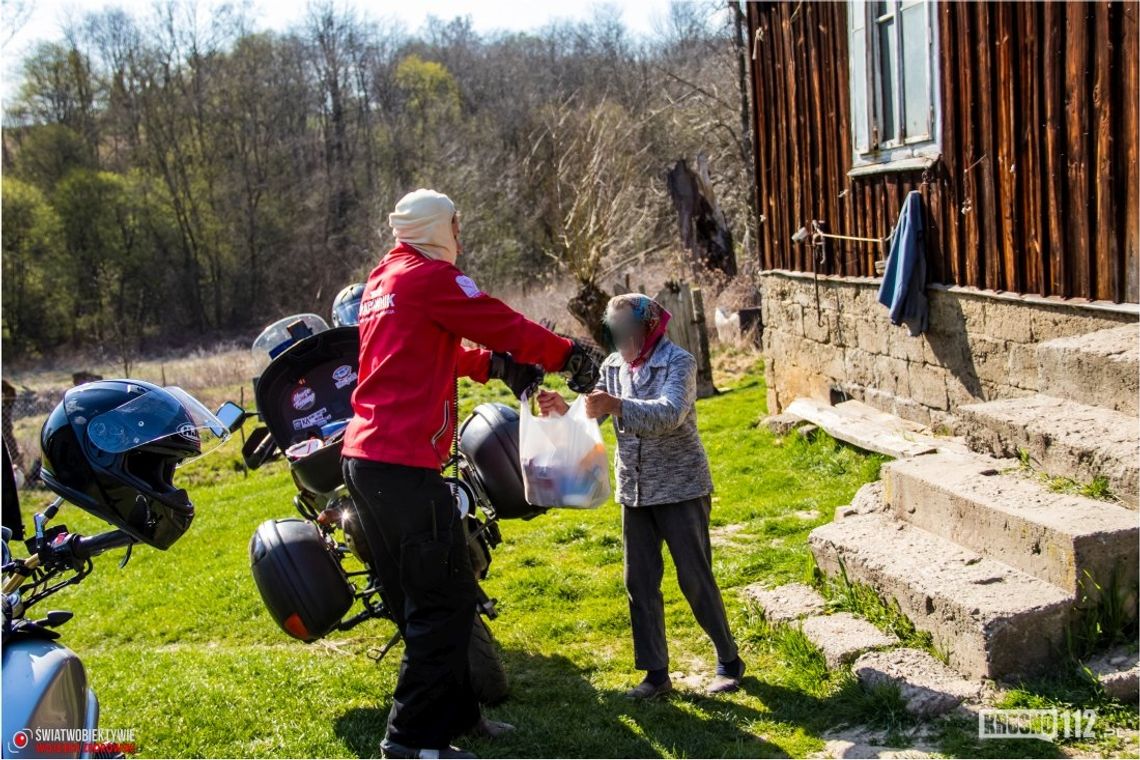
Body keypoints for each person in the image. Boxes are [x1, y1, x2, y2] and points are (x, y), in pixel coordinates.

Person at [341, 188, 598, 760]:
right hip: (404, 464)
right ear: (439, 226)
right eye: (457, 223)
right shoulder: (430, 277)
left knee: (421, 598)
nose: (460, 234)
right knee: (444, 604)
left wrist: (492, 365)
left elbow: (429, 349)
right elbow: (495, 319)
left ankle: (457, 717)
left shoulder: (385, 280)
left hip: (365, 460)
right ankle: (409, 742)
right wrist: (565, 355)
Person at [537, 293, 744, 699]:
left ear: (648, 327)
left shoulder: (679, 362)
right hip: (635, 490)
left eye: (626, 330)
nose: (620, 339)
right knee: (640, 582)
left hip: (681, 487)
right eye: (613, 332)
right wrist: (564, 409)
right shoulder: (613, 367)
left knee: (695, 579)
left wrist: (615, 405)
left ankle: (728, 660)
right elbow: (592, 411)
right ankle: (656, 674)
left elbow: (669, 413)